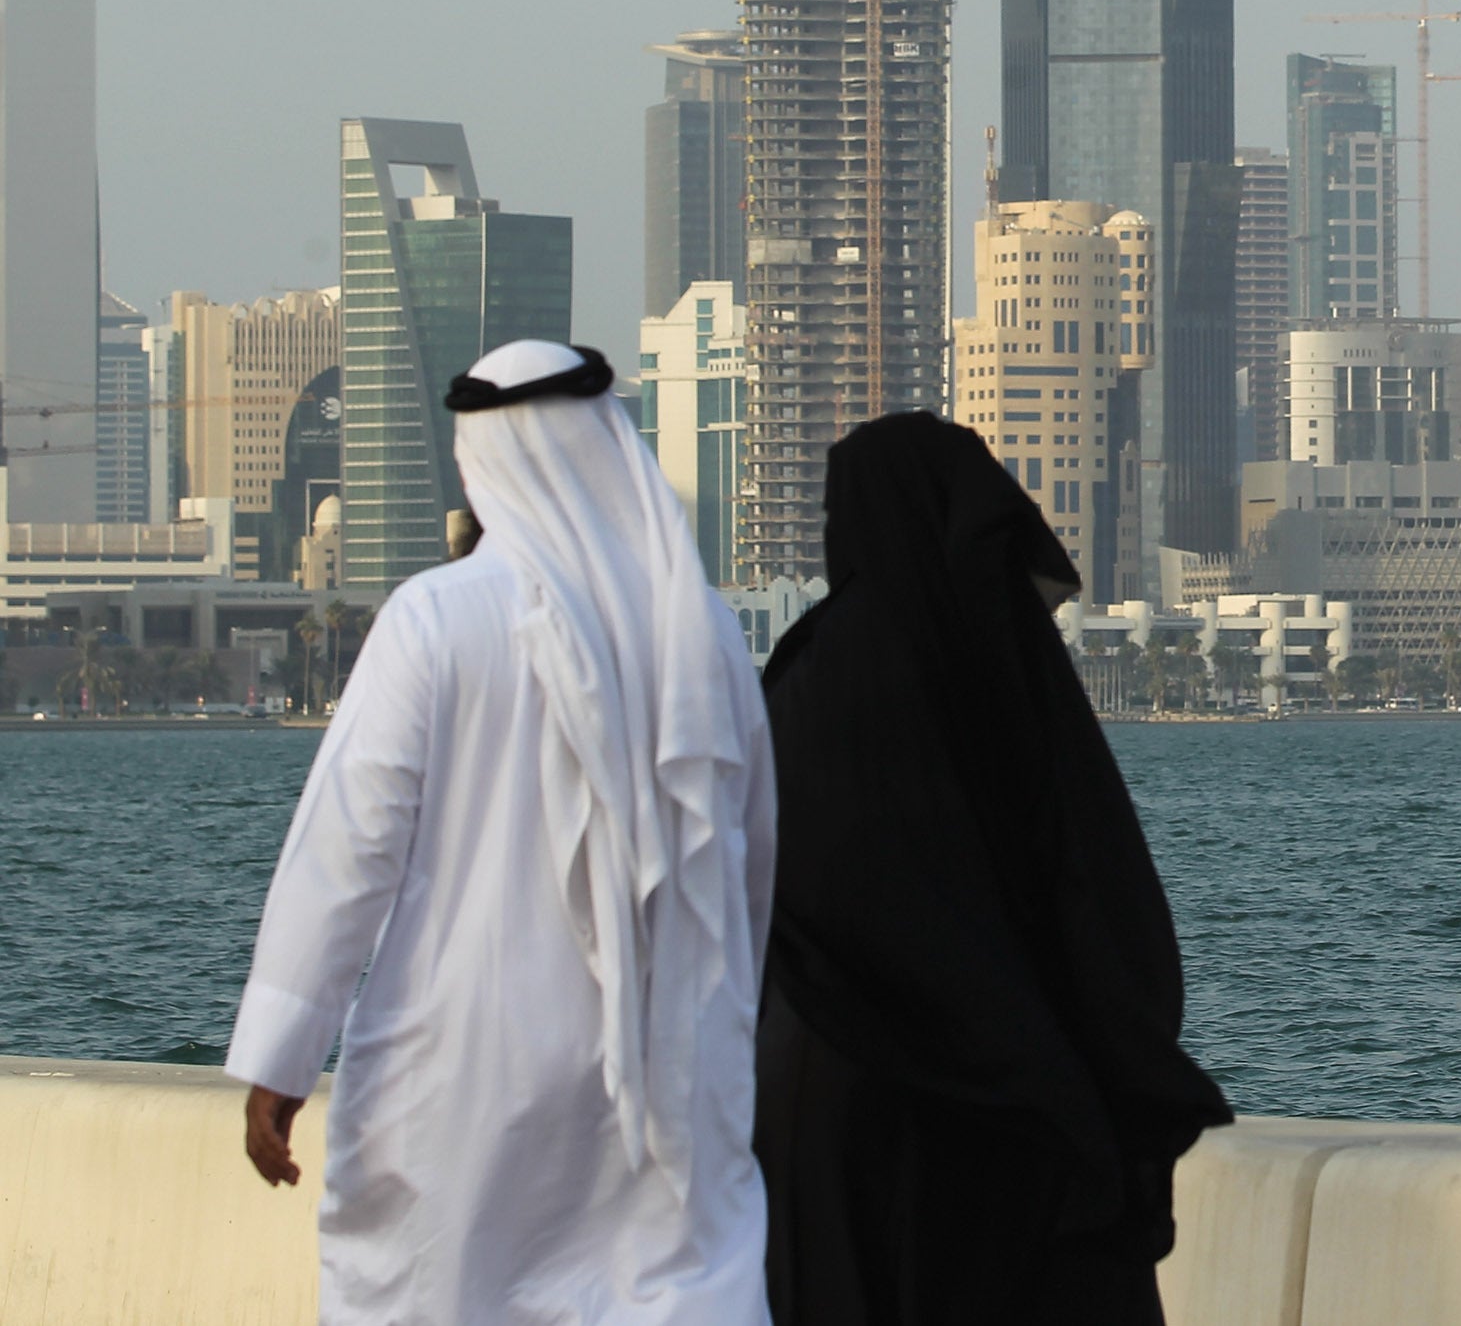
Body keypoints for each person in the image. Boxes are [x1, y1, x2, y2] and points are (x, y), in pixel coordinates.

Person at [227, 339, 777, 1322]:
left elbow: (347, 852)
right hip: (659, 1074)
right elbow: (748, 860)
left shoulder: (434, 616)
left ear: (480, 458)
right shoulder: (700, 630)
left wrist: (281, 1053)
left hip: (459, 1067)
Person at [754, 412, 1231, 1324]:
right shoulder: (1010, 667)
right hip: (1017, 1104)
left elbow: (792, 891)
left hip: (843, 1093)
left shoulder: (815, 674)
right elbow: (1099, 896)